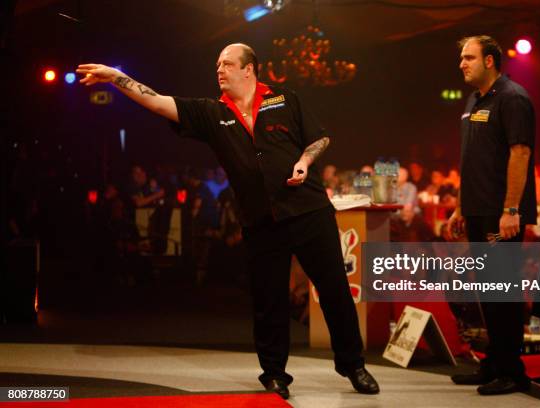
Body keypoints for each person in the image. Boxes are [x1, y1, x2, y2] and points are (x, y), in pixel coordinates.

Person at [76, 43, 379, 399]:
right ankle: (275, 374)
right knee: (268, 299)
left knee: (334, 290)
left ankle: (353, 365)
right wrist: (116, 78)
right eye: (217, 64)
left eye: (227, 64)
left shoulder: (285, 98)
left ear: (249, 69)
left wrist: (305, 163)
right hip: (260, 220)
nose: (219, 70)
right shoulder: (211, 113)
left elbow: (320, 138)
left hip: (309, 210)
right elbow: (157, 101)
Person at [447, 35, 536, 395]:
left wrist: (511, 208)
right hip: (478, 209)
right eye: (462, 57)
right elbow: (470, 159)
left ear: (490, 61)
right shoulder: (473, 100)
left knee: (503, 291)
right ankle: (495, 362)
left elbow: (520, 153)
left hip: (503, 214)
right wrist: (459, 205)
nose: (462, 64)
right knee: (488, 290)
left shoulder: (513, 97)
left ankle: (513, 371)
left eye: (469, 57)